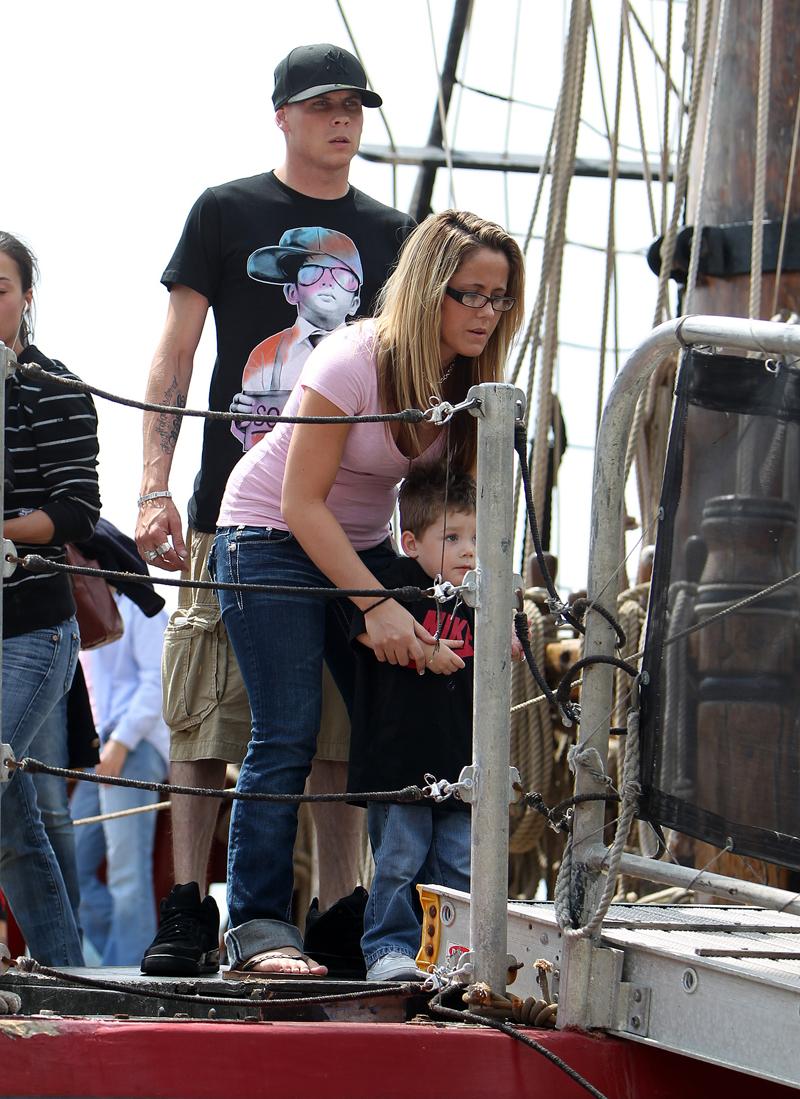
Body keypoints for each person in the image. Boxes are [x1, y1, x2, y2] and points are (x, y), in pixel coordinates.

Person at [136, 42, 414, 977]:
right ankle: (187, 907)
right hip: (235, 509)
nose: (343, 119)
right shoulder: (225, 209)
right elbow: (175, 356)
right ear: (284, 115)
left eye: (356, 104)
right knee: (205, 717)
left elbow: (415, 380)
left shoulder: (397, 232)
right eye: (324, 102)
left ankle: (338, 915)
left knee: (336, 732)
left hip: (348, 519)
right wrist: (153, 485)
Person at [213, 208, 525, 976]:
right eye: (471, 294)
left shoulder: (466, 384)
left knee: (404, 721)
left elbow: (459, 516)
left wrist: (490, 617)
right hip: (268, 537)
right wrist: (376, 604)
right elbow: (299, 503)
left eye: (500, 298)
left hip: (360, 546)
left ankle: (397, 932)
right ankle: (255, 927)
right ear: (428, 290)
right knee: (287, 730)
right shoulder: (352, 361)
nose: (486, 313)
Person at [0, 231, 101, 966]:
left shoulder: (53, 386)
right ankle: (65, 967)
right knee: (10, 809)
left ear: (26, 297)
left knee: (10, 798)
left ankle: (65, 966)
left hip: (31, 627)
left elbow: (76, 511)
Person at [349, 467, 476, 981]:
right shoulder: (393, 587)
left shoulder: (482, 599)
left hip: (458, 763)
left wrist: (514, 638)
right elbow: (355, 624)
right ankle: (388, 949)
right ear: (411, 542)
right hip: (399, 762)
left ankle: (453, 954)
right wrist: (427, 650)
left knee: (459, 863)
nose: (468, 551)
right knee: (400, 859)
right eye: (452, 538)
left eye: (475, 539)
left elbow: (515, 637)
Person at [71, 593, 170, 966]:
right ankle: (125, 958)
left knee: (127, 871)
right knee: (72, 866)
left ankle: (127, 967)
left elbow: (156, 683)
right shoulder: (85, 608)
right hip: (100, 750)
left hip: (135, 748)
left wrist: (121, 743)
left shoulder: (140, 606)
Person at [231, 227, 362, 450]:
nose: (327, 282)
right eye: (311, 273)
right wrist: (240, 420)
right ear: (292, 292)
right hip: (275, 476)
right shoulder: (266, 355)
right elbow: (255, 437)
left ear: (354, 303)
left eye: (341, 276)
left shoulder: (369, 355)